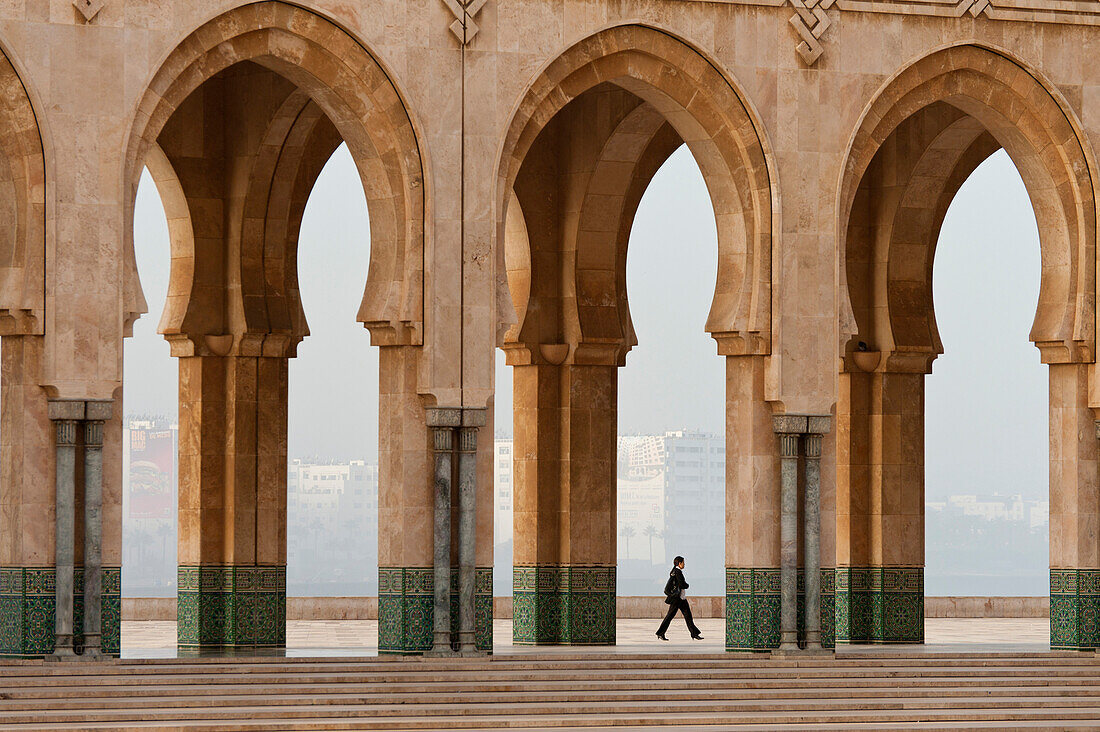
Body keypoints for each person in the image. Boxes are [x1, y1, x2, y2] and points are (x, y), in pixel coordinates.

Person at [656, 556, 703, 641]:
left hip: (681, 599)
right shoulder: (677, 572)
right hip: (677, 599)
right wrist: (687, 585)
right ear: (680, 563)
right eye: (683, 563)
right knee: (670, 616)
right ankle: (660, 633)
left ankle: (694, 634)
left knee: (688, 616)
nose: (684, 564)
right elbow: (682, 584)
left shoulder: (675, 571)